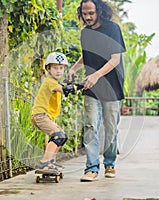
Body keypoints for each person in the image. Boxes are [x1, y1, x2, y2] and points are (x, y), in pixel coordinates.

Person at [67, 0, 126, 181]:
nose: (88, 17)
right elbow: (86, 56)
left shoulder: (112, 29)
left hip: (112, 86)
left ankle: (110, 164)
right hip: (90, 86)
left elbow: (115, 59)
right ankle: (91, 168)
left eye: (91, 13)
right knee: (90, 125)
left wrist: (96, 75)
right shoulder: (85, 33)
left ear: (99, 11)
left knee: (110, 128)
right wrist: (73, 69)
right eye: (84, 14)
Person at [31, 52, 70, 171]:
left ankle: (51, 161)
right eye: (55, 68)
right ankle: (44, 162)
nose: (58, 71)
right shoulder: (50, 81)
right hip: (40, 115)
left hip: (45, 116)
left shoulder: (54, 82)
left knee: (62, 137)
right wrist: (77, 86)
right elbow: (63, 90)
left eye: (61, 68)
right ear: (48, 69)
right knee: (58, 136)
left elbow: (62, 86)